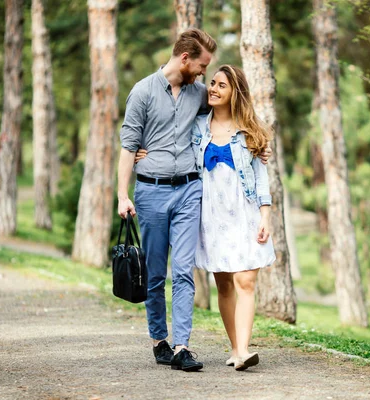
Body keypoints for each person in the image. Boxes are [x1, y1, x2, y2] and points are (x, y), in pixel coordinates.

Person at [136, 65, 275, 371]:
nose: (212, 88)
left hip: (244, 212)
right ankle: (236, 349)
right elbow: (167, 139)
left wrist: (266, 214)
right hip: (210, 215)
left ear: (234, 93)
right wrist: (146, 153)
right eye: (211, 83)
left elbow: (261, 176)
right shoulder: (197, 126)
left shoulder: (250, 131)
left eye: (221, 85)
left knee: (246, 280)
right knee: (224, 284)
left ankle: (242, 350)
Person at [117, 28, 216, 372]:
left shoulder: (199, 93)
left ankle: (182, 346)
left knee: (184, 271)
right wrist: (121, 194)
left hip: (189, 189)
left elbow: (231, 108)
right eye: (202, 65)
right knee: (156, 273)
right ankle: (159, 340)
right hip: (151, 191)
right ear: (185, 59)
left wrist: (255, 144)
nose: (205, 72)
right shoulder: (143, 92)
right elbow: (129, 146)